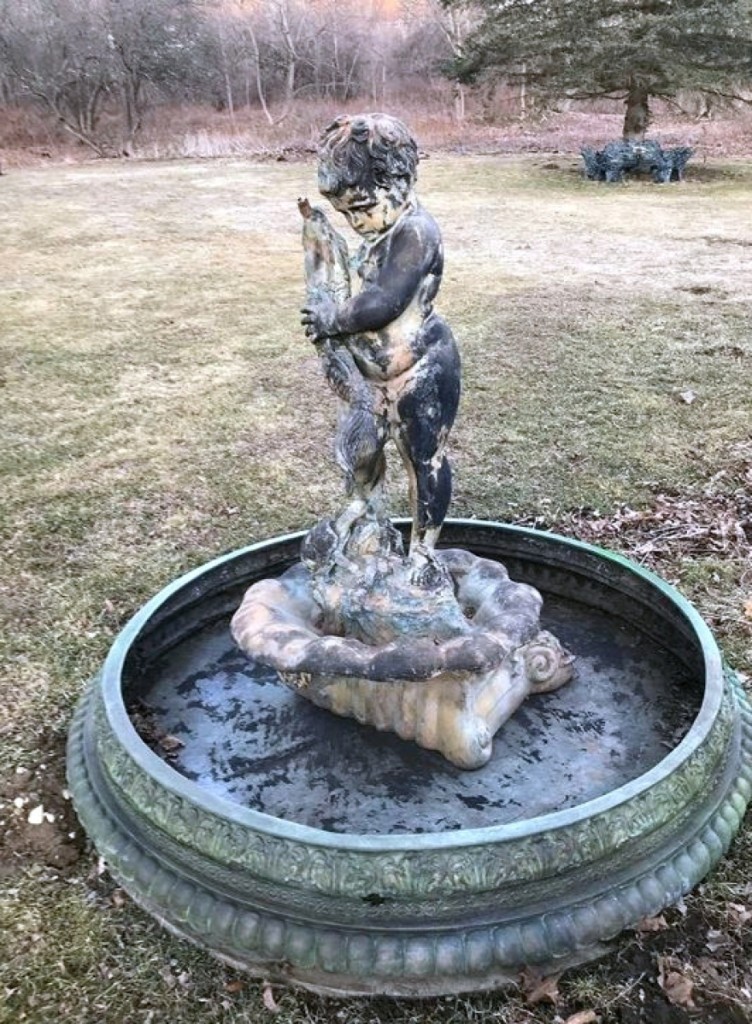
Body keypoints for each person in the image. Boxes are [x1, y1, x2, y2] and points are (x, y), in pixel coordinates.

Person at [301, 113, 461, 557]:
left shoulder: (415, 232)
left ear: (402, 182)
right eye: (345, 212)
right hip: (373, 376)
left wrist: (333, 318)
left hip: (421, 368)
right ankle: (363, 509)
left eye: (363, 208)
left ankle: (423, 550)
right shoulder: (382, 228)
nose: (356, 222)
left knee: (423, 458)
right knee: (361, 447)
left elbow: (383, 303)